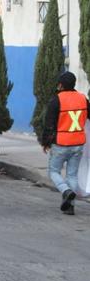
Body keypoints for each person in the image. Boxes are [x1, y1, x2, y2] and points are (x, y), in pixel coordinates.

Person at [41, 71, 90, 216]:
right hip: (78, 143)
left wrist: (46, 142)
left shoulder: (56, 100)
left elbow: (49, 124)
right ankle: (70, 207)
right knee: (72, 176)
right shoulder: (83, 99)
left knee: (53, 171)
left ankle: (65, 190)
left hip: (61, 143)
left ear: (61, 84)